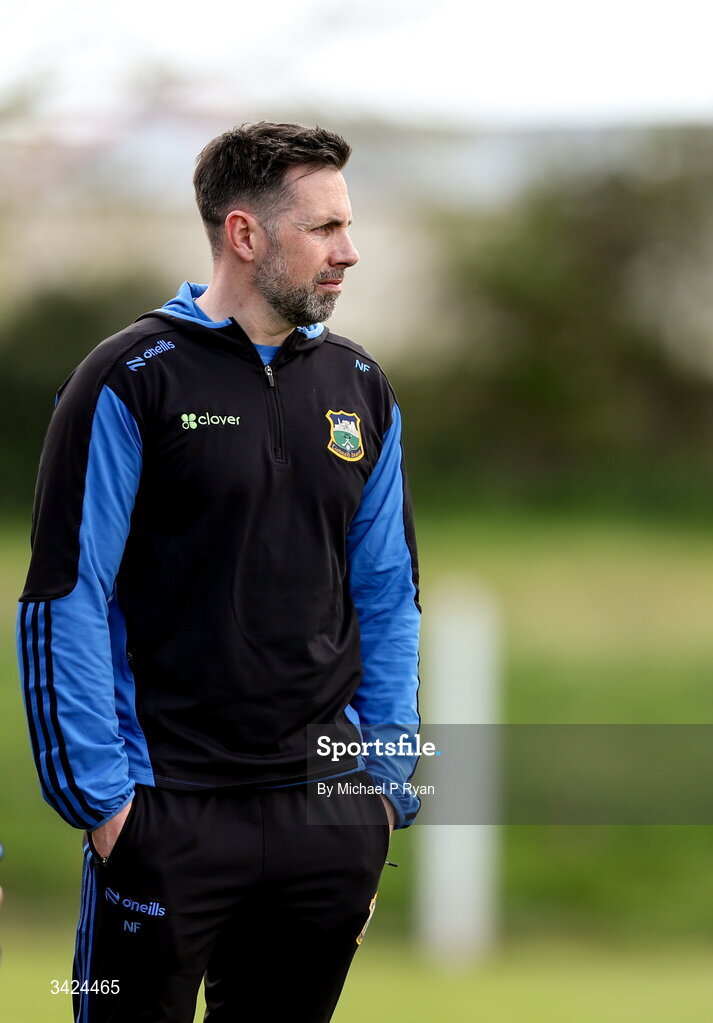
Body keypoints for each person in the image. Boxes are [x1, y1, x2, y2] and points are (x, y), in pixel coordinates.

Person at [16, 121, 421, 1023]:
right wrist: (104, 805)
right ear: (245, 235)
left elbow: (388, 593)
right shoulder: (126, 379)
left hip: (326, 817)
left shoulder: (361, 386)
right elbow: (64, 593)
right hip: (167, 814)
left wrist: (385, 787)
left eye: (346, 226)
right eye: (322, 228)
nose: (349, 253)